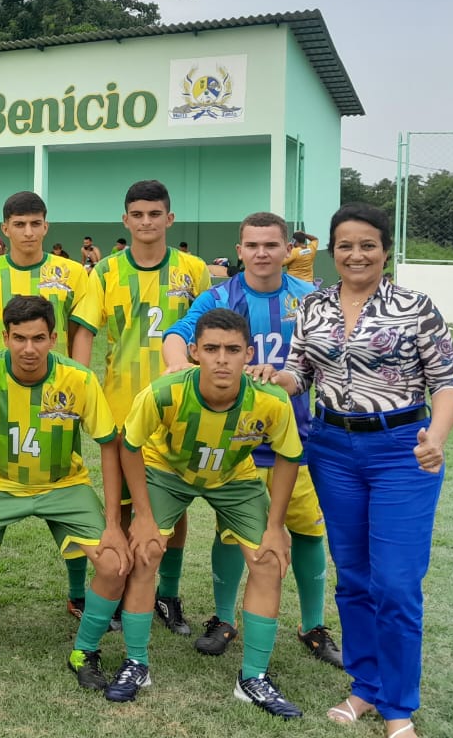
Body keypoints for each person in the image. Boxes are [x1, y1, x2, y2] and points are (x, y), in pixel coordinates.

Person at [262, 203, 453, 737]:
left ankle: (399, 705)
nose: (356, 254)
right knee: (352, 578)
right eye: (345, 245)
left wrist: (436, 439)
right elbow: (302, 372)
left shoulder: (416, 308)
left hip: (403, 449)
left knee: (395, 583)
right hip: (332, 450)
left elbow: (446, 382)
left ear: (384, 250)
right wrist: (275, 377)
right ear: (332, 250)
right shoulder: (315, 306)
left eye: (367, 244)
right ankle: (365, 687)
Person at [163, 212, 341, 666]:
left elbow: (331, 359)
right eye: (252, 245)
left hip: (294, 441)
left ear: (288, 250)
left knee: (304, 532)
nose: (261, 253)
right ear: (239, 251)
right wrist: (178, 365)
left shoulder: (313, 300)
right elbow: (178, 333)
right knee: (230, 534)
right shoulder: (220, 296)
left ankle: (313, 625)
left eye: (271, 245)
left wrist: (286, 377)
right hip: (235, 446)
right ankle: (224, 619)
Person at [114, 308, 304, 718]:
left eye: (233, 350)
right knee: (146, 551)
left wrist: (275, 527)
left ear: (248, 353)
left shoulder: (270, 400)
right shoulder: (165, 392)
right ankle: (136, 663)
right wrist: (143, 515)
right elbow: (128, 446)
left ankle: (253, 677)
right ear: (195, 352)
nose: (222, 358)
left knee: (269, 561)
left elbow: (289, 456)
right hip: (169, 470)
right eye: (212, 349)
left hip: (234, 476)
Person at [0, 296, 131, 684]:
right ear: (5, 337)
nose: (29, 349)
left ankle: (85, 651)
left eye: (39, 338)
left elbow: (109, 446)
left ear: (54, 339)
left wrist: (113, 523)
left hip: (64, 484)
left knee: (113, 563)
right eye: (20, 338)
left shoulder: (79, 378)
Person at [78, 179, 211, 636]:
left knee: (173, 505)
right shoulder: (106, 271)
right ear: (126, 220)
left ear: (169, 219)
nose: (147, 222)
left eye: (155, 214)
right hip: (120, 402)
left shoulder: (194, 270)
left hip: (179, 404)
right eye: (138, 214)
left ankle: (166, 595)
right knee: (124, 505)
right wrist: (79, 385)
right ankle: (122, 592)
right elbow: (85, 331)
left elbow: (207, 333)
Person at [0, 191, 99, 619]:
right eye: (18, 224)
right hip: (3, 393)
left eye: (34, 223)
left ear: (46, 226)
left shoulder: (75, 273)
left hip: (58, 394)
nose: (27, 231)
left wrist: (71, 387)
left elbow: (81, 332)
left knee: (60, 472)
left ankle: (78, 593)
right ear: (4, 228)